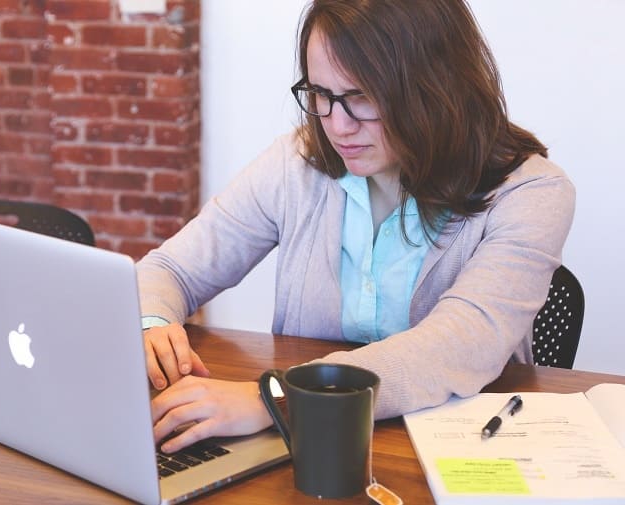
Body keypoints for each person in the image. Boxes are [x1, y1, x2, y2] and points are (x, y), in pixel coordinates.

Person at [139, 0, 575, 453]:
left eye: (362, 97)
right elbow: (169, 268)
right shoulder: (295, 164)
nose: (337, 125)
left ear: (437, 86)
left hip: (460, 449)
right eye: (321, 95)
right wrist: (153, 323)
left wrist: (274, 399)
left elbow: (459, 346)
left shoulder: (532, 192)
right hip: (308, 446)